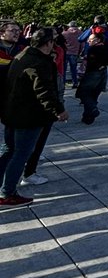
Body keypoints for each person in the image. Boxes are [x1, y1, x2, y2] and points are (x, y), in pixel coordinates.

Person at [0, 28, 68, 206]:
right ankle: (7, 192)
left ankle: (4, 189)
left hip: (12, 112)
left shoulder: (22, 55)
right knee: (20, 154)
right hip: (28, 116)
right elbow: (44, 91)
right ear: (48, 44)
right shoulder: (39, 62)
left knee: (8, 150)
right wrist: (59, 110)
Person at [76, 29, 108, 124]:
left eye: (91, 40)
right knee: (94, 95)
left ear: (98, 40)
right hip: (102, 73)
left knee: (84, 93)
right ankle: (88, 117)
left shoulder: (94, 49)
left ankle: (92, 110)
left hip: (93, 73)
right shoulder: (106, 48)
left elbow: (92, 63)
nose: (88, 41)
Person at [62, 21, 82, 86]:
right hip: (75, 52)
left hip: (66, 52)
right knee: (73, 69)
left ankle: (63, 83)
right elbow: (82, 44)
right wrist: (80, 52)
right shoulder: (80, 33)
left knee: (64, 69)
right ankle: (75, 83)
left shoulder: (64, 33)